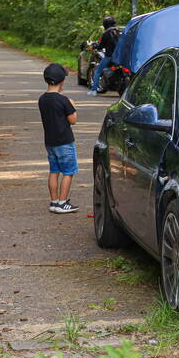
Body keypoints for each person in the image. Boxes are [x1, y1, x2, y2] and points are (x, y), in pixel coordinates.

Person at [39, 63, 79, 214]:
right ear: (62, 81)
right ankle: (63, 202)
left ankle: (54, 201)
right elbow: (73, 120)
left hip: (50, 142)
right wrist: (73, 106)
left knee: (54, 171)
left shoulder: (42, 99)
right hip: (65, 142)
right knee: (68, 171)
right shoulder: (64, 100)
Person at [88, 16, 121, 95]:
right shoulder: (119, 32)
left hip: (110, 56)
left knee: (98, 71)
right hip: (120, 56)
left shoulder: (106, 34)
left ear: (105, 25)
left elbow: (100, 46)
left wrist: (94, 46)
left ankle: (94, 90)